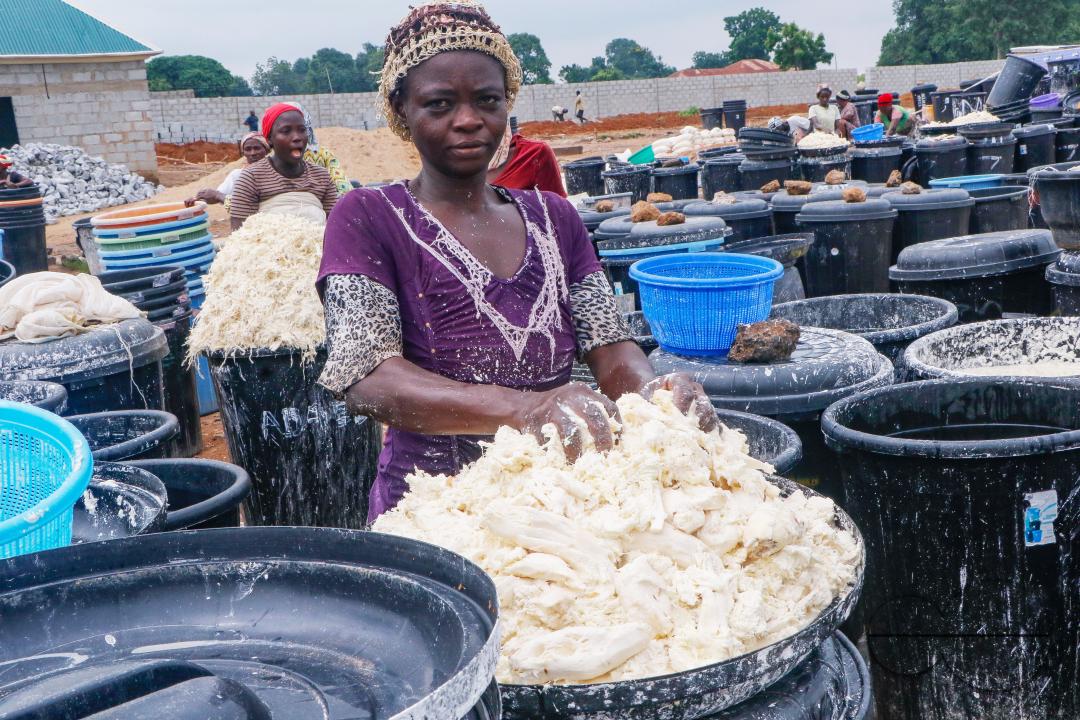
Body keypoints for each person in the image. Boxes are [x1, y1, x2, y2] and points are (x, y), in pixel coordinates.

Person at [316, 1, 717, 522]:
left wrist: (653, 393)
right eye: (439, 105)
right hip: (437, 506)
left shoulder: (555, 217)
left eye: (487, 100)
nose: (468, 121)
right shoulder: (368, 216)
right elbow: (369, 377)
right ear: (402, 111)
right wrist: (527, 410)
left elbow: (610, 346)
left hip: (567, 499)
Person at [229, 103, 338, 229]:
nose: (297, 137)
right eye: (286, 131)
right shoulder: (251, 178)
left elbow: (334, 227)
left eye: (302, 130)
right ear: (269, 139)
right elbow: (239, 235)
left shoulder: (322, 176)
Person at [284, 102, 353, 197]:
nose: (295, 137)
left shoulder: (323, 154)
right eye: (287, 130)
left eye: (301, 129)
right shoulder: (274, 158)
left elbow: (343, 186)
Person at [185, 132, 269, 208]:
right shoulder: (237, 175)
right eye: (248, 149)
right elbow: (219, 197)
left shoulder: (276, 171)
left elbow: (242, 204)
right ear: (243, 153)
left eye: (257, 148)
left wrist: (217, 195)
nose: (253, 153)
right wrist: (198, 200)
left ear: (266, 150)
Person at [487, 121, 566, 196]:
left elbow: (556, 207)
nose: (476, 120)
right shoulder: (475, 164)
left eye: (487, 107)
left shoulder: (535, 154)